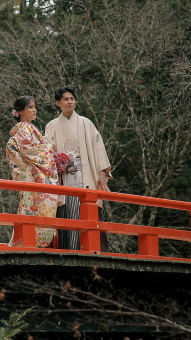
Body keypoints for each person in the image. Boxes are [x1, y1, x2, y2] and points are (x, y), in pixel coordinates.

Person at [44, 87, 113, 252]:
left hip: (85, 172)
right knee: (66, 209)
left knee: (87, 208)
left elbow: (98, 148)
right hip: (63, 174)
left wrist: (102, 174)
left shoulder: (86, 123)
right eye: (66, 99)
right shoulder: (51, 126)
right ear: (57, 103)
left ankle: (91, 249)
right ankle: (68, 249)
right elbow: (45, 153)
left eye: (72, 98)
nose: (70, 102)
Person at [6, 95, 59, 248]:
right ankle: (32, 243)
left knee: (28, 209)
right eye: (30, 107)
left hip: (29, 177)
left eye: (35, 107)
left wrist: (47, 147)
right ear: (20, 111)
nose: (34, 110)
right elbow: (29, 150)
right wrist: (49, 148)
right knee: (33, 209)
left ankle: (24, 242)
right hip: (34, 179)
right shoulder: (24, 128)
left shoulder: (26, 129)